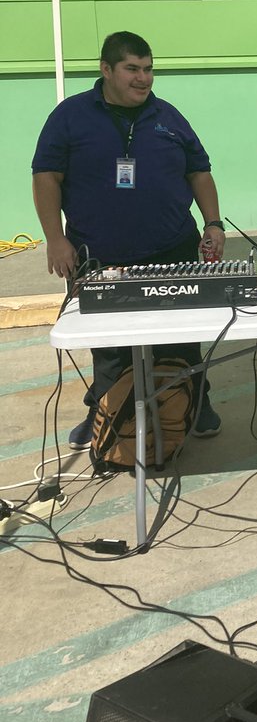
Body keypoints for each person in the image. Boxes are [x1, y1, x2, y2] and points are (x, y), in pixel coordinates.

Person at [31, 30, 224, 447]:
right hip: (98, 255)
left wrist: (214, 224)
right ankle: (104, 411)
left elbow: (199, 171)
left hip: (171, 249)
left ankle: (194, 401)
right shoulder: (70, 116)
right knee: (109, 346)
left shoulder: (168, 116)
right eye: (132, 69)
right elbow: (46, 176)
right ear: (106, 70)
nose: (143, 78)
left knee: (181, 337)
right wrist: (54, 240)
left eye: (148, 69)